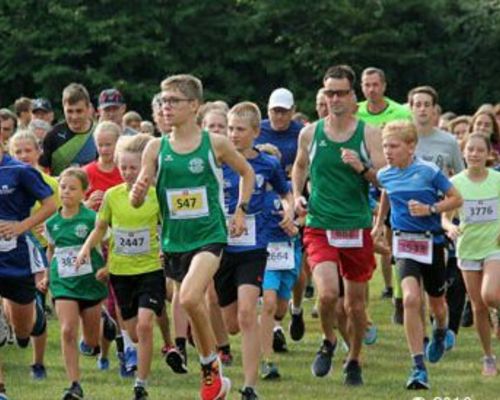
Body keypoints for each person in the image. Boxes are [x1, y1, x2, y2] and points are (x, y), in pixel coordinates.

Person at [130, 74, 254, 400]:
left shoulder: (215, 143)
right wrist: (138, 192)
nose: (166, 107)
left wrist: (240, 210)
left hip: (210, 236)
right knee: (190, 301)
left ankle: (210, 368)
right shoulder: (155, 148)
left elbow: (247, 172)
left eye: (173, 101)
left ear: (194, 105)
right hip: (173, 241)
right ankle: (213, 367)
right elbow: (137, 197)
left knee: (188, 297)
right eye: (163, 101)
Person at [292, 64, 385, 385]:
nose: (334, 99)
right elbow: (300, 167)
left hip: (356, 226)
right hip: (320, 224)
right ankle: (329, 340)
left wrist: (361, 168)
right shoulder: (310, 132)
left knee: (356, 306)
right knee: (328, 294)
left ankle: (355, 358)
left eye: (341, 93)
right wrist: (296, 196)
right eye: (329, 92)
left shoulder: (368, 134)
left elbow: (384, 179)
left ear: (352, 96)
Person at [77, 134, 184, 400]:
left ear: (146, 168)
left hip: (150, 270)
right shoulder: (112, 197)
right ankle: (132, 346)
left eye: (133, 168)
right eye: (123, 167)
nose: (127, 172)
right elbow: (100, 228)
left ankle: (140, 383)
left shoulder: (156, 196)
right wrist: (85, 249)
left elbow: (169, 227)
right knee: (135, 332)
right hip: (121, 274)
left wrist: (165, 250)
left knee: (146, 325)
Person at [373, 120, 462, 389]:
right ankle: (418, 366)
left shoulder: (428, 171)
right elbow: (387, 194)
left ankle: (439, 330)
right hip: (404, 244)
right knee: (411, 299)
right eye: (385, 146)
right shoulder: (384, 174)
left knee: (437, 304)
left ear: (411, 146)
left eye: (394, 146)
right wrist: (379, 225)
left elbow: (456, 198)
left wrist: (430, 209)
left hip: (431, 243)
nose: (388, 151)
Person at [214, 102, 294, 399]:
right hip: (221, 248)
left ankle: (249, 386)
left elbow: (286, 191)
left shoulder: (267, 164)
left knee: (249, 313)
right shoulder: (217, 161)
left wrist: (288, 210)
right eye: (230, 128)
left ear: (256, 132)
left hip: (255, 247)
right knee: (232, 324)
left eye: (240, 129)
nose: (233, 135)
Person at [41, 168, 108, 400]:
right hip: (63, 283)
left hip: (90, 282)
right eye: (63, 187)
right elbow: (51, 251)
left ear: (83, 192)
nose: (66, 192)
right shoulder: (52, 223)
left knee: (90, 342)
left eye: (72, 188)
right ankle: (74, 385)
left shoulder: (93, 219)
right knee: (68, 330)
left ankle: (101, 323)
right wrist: (48, 277)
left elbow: (109, 244)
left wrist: (106, 268)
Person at [0, 137, 56, 397]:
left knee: (23, 331)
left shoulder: (19, 171)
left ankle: (35, 315)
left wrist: (22, 226)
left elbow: (51, 204)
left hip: (17, 258)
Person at [442, 134, 500, 376]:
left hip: (494, 246)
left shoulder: (497, 179)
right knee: (477, 307)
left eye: (479, 150)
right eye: (470, 150)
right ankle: (488, 357)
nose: (474, 154)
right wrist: (450, 227)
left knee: (490, 295)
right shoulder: (455, 183)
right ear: (463, 154)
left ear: (489, 154)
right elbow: (444, 216)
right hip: (467, 249)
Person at [256, 87, 306, 348]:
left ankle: (296, 309)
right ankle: (273, 328)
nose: (279, 116)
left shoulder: (301, 134)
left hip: (296, 200)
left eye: (284, 111)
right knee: (268, 280)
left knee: (299, 269)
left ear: (293, 111)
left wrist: (299, 200)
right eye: (275, 110)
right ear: (268, 110)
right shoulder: (258, 131)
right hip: (263, 203)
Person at [39, 83, 96, 176]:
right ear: (63, 109)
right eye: (69, 111)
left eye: (79, 111)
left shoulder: (99, 133)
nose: (74, 116)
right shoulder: (52, 136)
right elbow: (43, 172)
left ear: (88, 108)